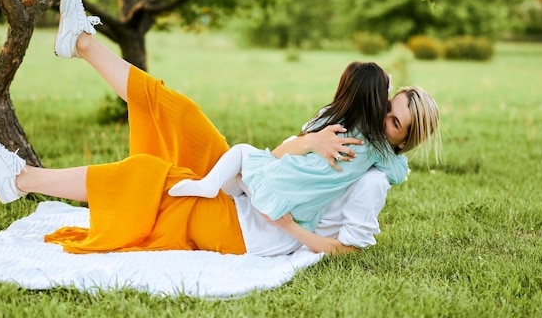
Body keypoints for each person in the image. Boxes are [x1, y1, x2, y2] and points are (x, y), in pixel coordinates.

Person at [0, 0, 441, 257]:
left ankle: (21, 180)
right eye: (389, 107)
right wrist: (308, 143)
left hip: (246, 228)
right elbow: (278, 159)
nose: (383, 118)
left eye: (395, 123)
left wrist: (289, 229)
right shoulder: (348, 124)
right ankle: (80, 42)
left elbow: (351, 248)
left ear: (403, 142)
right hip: (248, 182)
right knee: (179, 109)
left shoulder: (375, 176)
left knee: (147, 176)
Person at [169, 61, 409, 232]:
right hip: (301, 212)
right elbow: (398, 174)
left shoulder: (330, 118)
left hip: (279, 185)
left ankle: (209, 186)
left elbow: (306, 130)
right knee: (248, 175)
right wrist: (398, 155)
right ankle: (223, 192)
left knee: (243, 152)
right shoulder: (378, 148)